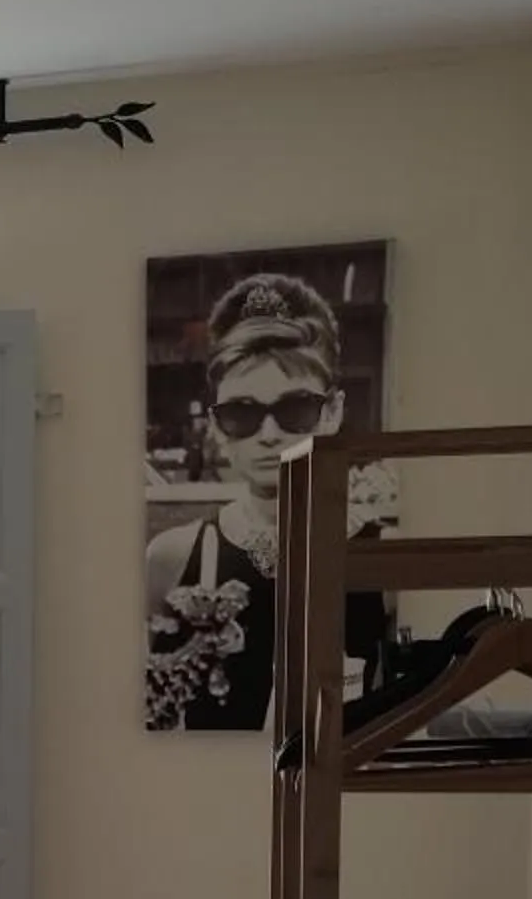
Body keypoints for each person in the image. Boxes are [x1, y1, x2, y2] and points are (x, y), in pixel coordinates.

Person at [143, 271, 384, 731]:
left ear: (332, 413)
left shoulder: (382, 556)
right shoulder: (172, 558)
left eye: (295, 410)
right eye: (242, 414)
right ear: (216, 426)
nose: (269, 435)